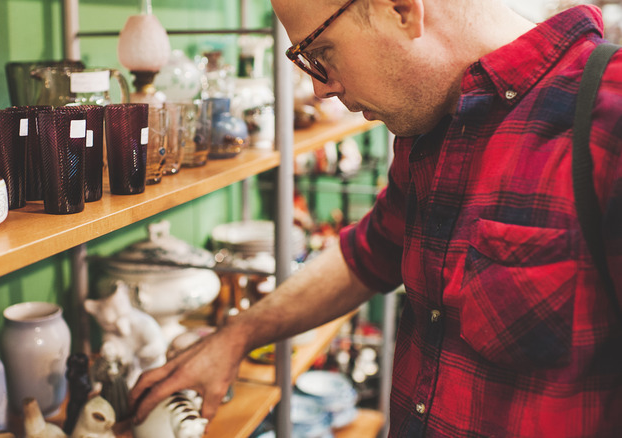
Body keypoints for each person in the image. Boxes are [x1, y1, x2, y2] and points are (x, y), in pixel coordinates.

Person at [129, 0, 622, 435]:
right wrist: (236, 337)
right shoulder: (434, 121)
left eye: (321, 55)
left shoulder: (608, 117)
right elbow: (369, 252)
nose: (322, 89)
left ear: (401, 9)